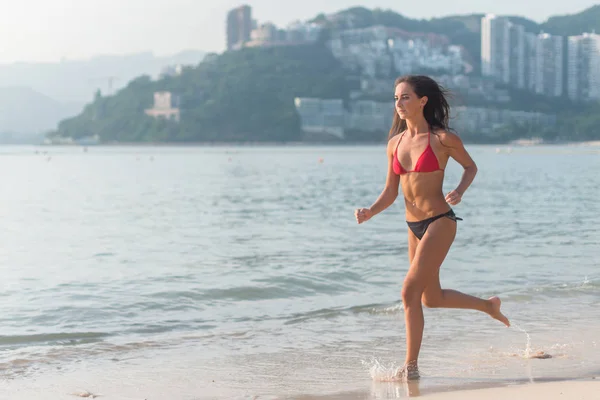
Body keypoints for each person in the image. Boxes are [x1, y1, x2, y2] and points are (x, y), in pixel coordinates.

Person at [354, 75, 510, 381]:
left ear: (423, 101)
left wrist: (460, 191)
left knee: (408, 291)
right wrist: (370, 211)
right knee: (430, 298)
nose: (399, 104)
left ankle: (410, 368)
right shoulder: (394, 144)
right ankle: (488, 306)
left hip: (440, 221)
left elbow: (471, 166)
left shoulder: (442, 139)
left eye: (405, 97)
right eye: (396, 99)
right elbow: (391, 192)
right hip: (413, 227)